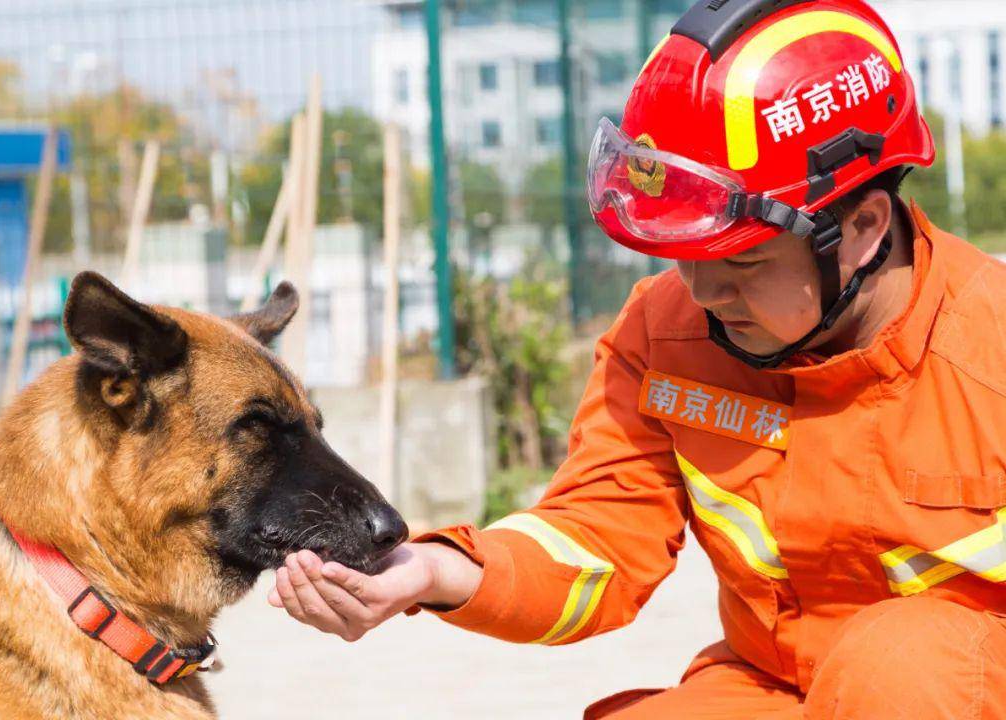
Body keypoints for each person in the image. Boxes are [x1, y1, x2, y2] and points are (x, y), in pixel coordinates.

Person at [269, 0, 1006, 717]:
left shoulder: (989, 349)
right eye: (681, 252)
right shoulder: (666, 334)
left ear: (863, 227)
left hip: (951, 691)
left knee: (905, 662)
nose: (703, 289)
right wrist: (434, 572)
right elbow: (596, 537)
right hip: (780, 686)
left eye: (740, 260)